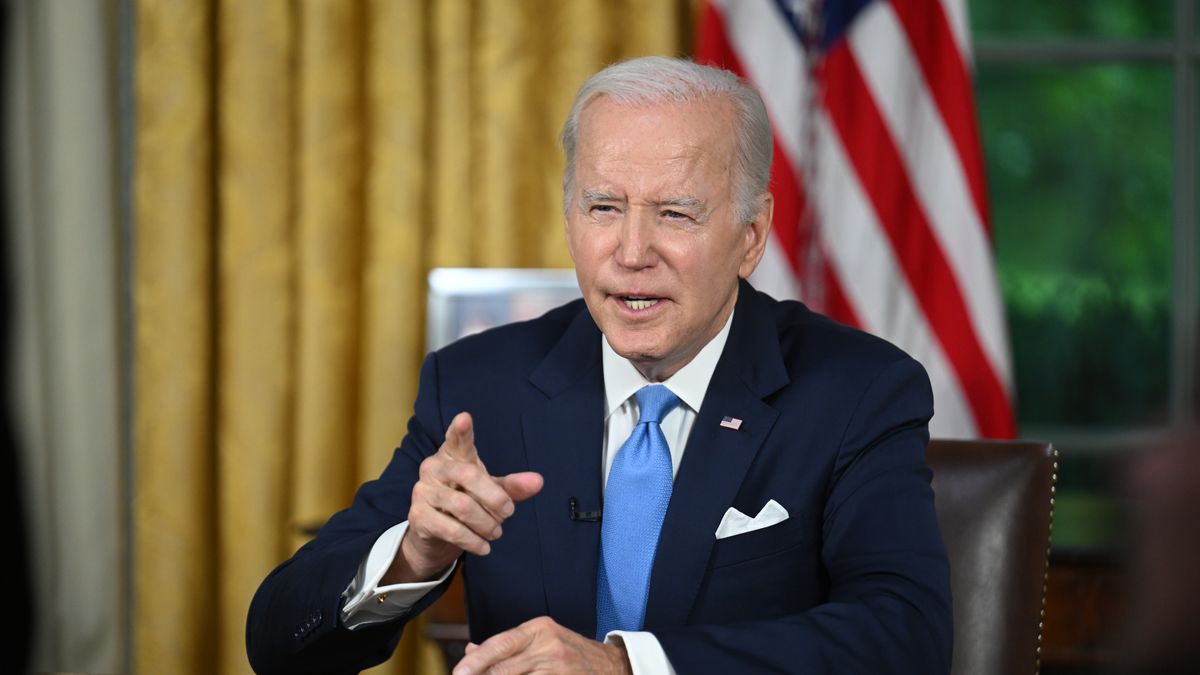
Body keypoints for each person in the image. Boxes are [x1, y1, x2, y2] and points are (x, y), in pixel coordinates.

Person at [246, 56, 952, 674]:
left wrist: (627, 665)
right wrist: (411, 554)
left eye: (675, 213)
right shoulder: (479, 387)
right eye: (603, 206)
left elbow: (905, 637)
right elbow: (277, 641)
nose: (632, 250)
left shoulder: (857, 390)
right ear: (568, 217)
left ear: (751, 234)